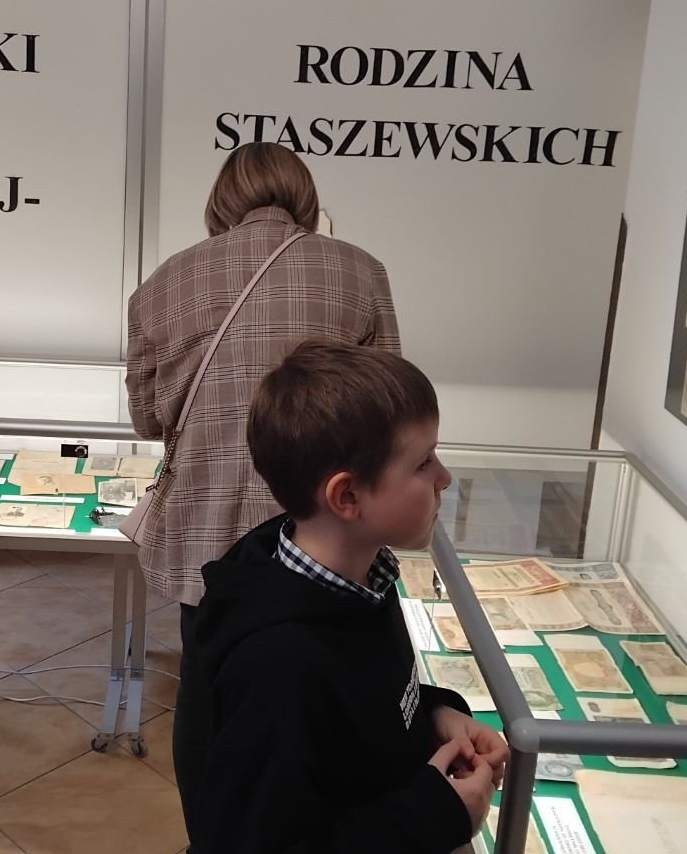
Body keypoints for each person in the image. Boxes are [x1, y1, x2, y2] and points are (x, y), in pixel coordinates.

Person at [124, 142, 401, 831]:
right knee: (325, 683)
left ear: (221, 202)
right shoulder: (361, 271)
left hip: (206, 524)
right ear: (305, 198)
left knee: (205, 687)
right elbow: (387, 410)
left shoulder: (163, 282)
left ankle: (211, 836)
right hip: (322, 523)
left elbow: (147, 418)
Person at [179, 342, 506, 853]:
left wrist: (433, 715)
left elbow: (359, 703)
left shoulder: (362, 579)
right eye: (423, 463)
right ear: (347, 496)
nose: (444, 478)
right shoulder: (280, 663)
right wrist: (437, 812)